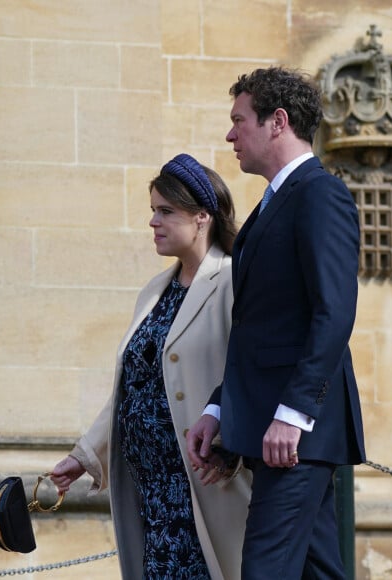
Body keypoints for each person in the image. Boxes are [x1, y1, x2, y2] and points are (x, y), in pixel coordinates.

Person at [186, 67, 366, 579]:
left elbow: (334, 312)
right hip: (272, 426)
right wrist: (221, 406)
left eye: (238, 120)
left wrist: (294, 413)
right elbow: (259, 329)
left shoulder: (318, 194)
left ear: (277, 122)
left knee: (265, 570)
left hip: (296, 432)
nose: (230, 134)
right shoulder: (273, 204)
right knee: (319, 571)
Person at [51, 153, 251, 580]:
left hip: (203, 481)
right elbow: (133, 388)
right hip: (151, 489)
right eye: (152, 211)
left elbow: (250, 371)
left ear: (202, 217)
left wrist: (230, 441)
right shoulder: (154, 291)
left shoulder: (233, 279)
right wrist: (84, 456)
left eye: (166, 211)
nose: (153, 222)